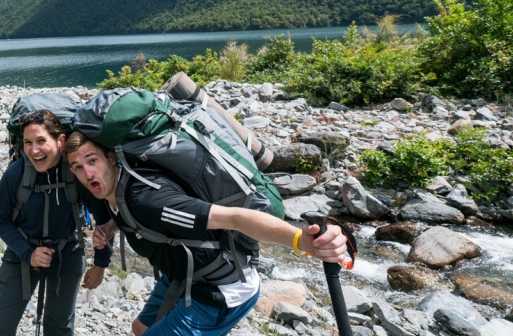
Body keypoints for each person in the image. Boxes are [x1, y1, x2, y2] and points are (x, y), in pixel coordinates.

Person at [63, 131, 349, 336]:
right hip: (183, 277)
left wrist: (300, 240)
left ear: (112, 158)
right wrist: (111, 227)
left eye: (92, 161)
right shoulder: (116, 192)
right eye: (78, 167)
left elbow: (235, 218)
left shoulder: (148, 201)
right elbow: (135, 219)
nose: (87, 173)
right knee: (140, 329)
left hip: (219, 290)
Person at [0, 111, 111, 336]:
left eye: (41, 141)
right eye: (28, 143)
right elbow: (0, 220)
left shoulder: (76, 171)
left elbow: (104, 220)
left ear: (60, 141)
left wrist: (100, 264)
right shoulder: (16, 174)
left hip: (68, 254)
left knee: (59, 328)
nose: (34, 150)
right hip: (21, 255)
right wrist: (27, 253)